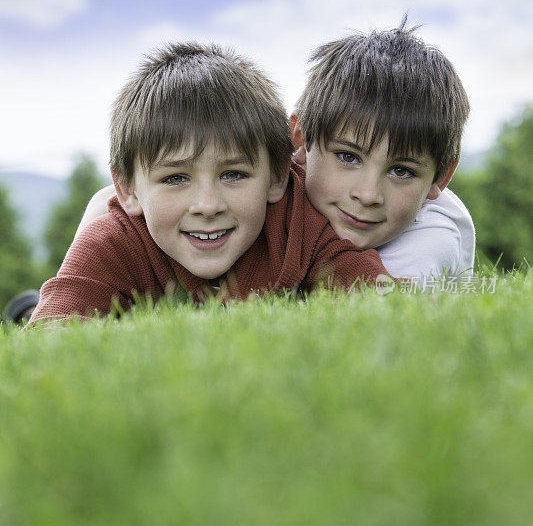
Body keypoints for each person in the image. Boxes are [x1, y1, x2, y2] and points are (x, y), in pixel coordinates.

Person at [29, 43, 389, 324]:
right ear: (128, 190)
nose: (207, 205)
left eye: (233, 174)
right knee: (32, 311)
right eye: (175, 178)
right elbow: (53, 332)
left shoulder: (298, 222)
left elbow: (382, 299)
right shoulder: (115, 241)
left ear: (277, 177)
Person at [291, 20, 475, 280]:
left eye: (401, 171)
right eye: (348, 157)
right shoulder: (274, 186)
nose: (368, 195)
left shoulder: (433, 236)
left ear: (442, 177)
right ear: (300, 140)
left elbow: (370, 311)